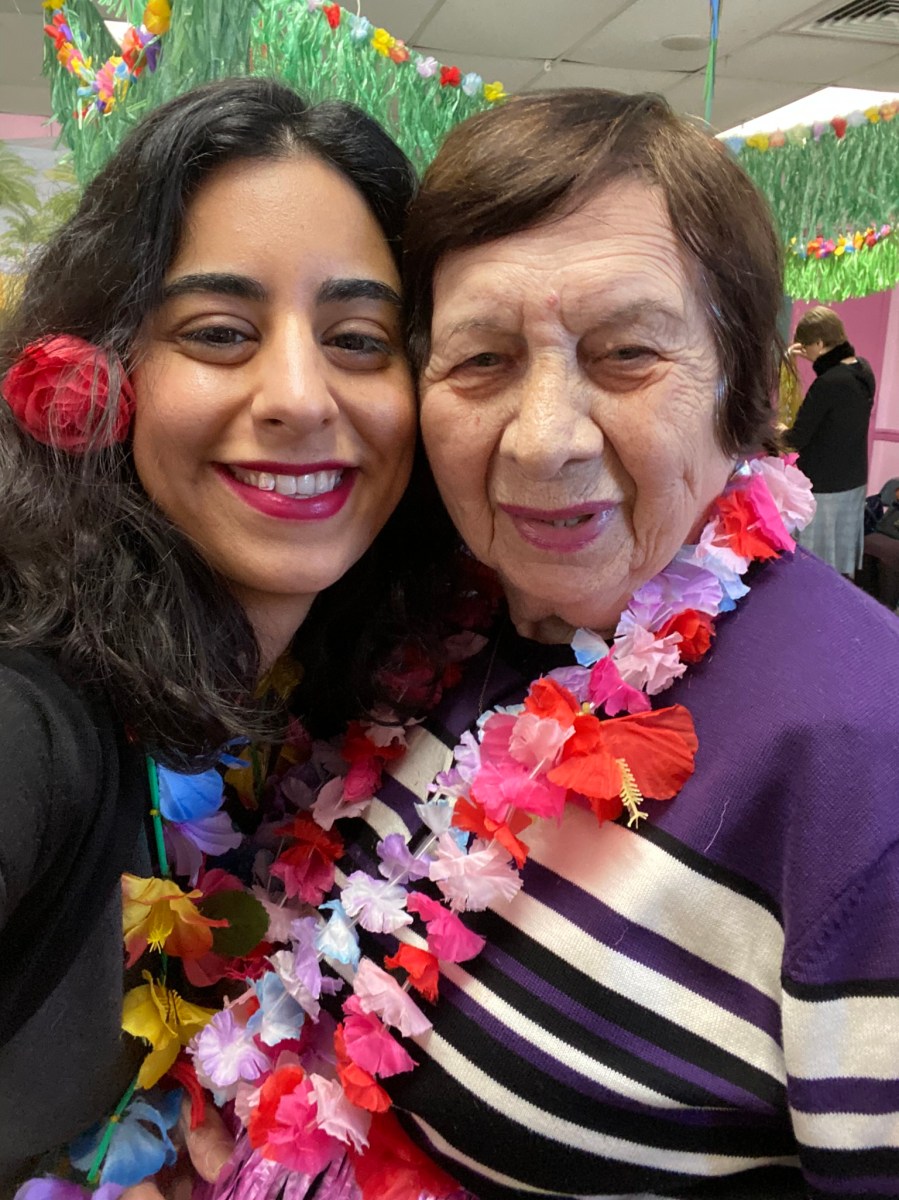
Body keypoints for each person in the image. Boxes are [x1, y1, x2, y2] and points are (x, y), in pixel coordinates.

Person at [334, 90, 899, 1199]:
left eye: (628, 352)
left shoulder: (863, 760)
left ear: (746, 384)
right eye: (480, 359)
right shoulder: (425, 625)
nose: (543, 441)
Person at [0, 76, 446, 1195]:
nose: (300, 395)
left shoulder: (345, 707)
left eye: (358, 339)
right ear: (103, 373)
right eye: (218, 333)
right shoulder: (28, 713)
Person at [786, 305, 875, 576]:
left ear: (820, 343)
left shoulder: (827, 384)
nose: (806, 353)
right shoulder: (863, 371)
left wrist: (777, 431)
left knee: (813, 566)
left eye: (807, 347)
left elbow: (797, 438)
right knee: (838, 563)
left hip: (824, 486)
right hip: (853, 481)